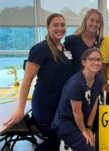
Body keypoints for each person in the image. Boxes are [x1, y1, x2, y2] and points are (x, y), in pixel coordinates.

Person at [3, 13, 72, 151]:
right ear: (47, 27)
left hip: (59, 104)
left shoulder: (64, 49)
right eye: (55, 25)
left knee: (56, 141)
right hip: (44, 104)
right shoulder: (40, 49)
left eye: (62, 25)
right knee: (50, 143)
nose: (60, 28)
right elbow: (27, 79)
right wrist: (20, 108)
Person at [52, 48, 103, 151]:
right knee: (88, 149)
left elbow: (94, 104)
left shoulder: (99, 79)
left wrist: (89, 127)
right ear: (83, 62)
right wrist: (84, 131)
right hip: (66, 123)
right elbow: (76, 111)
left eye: (99, 59)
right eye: (92, 59)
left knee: (93, 145)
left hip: (81, 121)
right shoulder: (75, 83)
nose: (96, 62)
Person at [64, 8, 104, 74]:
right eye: (92, 20)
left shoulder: (102, 42)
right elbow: (64, 63)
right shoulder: (71, 41)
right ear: (85, 20)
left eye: (98, 21)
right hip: (76, 82)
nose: (94, 24)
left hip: (96, 82)